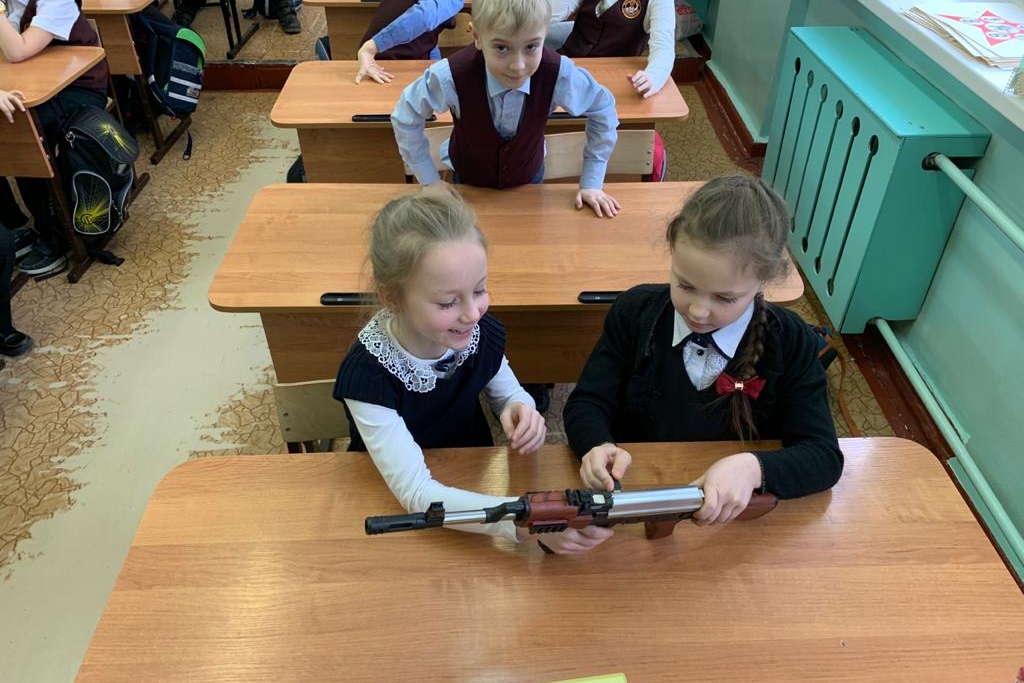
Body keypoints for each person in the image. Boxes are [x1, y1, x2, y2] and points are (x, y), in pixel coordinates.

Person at [334, 191, 613, 554]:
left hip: (472, 479)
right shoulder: (368, 376)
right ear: (392, 297)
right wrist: (525, 522)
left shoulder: (473, 333)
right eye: (448, 302)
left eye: (480, 289)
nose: (472, 313)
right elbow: (416, 492)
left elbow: (507, 390)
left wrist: (519, 408)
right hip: (395, 503)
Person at [564, 175, 843, 526]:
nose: (697, 311)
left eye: (725, 298)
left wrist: (754, 468)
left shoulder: (790, 340)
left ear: (763, 282)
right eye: (685, 285)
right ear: (672, 252)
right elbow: (587, 402)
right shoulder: (635, 312)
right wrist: (596, 445)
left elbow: (823, 456)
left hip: (734, 520)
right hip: (636, 498)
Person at [391, 0, 622, 219]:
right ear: (477, 37)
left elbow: (602, 108)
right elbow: (405, 116)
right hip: (467, 183)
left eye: (531, 46)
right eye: (501, 47)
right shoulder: (450, 76)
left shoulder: (558, 73)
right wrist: (430, 181)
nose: (517, 66)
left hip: (529, 181)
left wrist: (592, 182)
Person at [0, 0, 110, 277]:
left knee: (21, 132)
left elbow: (17, 51)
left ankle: (55, 234)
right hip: (27, 85)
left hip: (77, 87)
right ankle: (15, 225)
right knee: (11, 129)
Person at [549, 0, 676, 99]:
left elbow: (664, 48)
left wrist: (653, 77)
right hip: (567, 66)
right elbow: (549, 15)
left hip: (613, 81)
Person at [355, 0, 462, 84]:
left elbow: (430, 38)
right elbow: (424, 17)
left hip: (369, 62)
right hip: (387, 65)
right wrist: (372, 47)